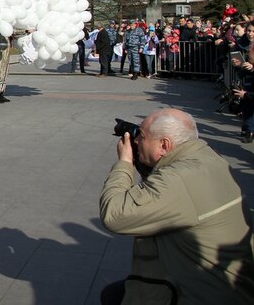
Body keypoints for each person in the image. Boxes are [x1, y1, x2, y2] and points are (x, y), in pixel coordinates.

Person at [99, 108, 254, 304]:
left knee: (113, 296)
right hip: (227, 285)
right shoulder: (206, 157)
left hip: (200, 295)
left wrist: (125, 163)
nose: (136, 141)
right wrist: (148, 165)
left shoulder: (180, 179)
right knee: (114, 294)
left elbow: (114, 215)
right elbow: (164, 196)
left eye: (142, 136)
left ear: (164, 145)